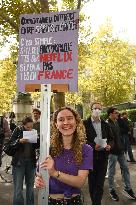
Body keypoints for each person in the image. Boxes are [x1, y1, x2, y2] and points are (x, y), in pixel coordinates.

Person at [35, 107, 93, 205]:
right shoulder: (47, 149)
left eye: (70, 118)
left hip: (74, 202)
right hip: (51, 201)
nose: (66, 122)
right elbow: (39, 174)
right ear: (56, 124)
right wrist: (37, 181)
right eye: (61, 120)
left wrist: (54, 173)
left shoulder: (86, 149)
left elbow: (80, 182)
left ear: (76, 122)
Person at [84, 102, 114, 205]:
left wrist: (110, 145)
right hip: (90, 158)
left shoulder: (105, 124)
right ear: (91, 109)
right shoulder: (85, 124)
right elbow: (81, 140)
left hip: (103, 157)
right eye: (95, 108)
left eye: (99, 109)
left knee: (100, 184)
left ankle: (97, 203)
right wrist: (93, 146)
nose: (97, 110)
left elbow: (111, 139)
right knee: (92, 183)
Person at [8, 116, 40, 205]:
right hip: (19, 163)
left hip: (31, 162)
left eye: (31, 127)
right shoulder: (17, 130)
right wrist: (19, 141)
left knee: (30, 188)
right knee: (18, 188)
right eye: (28, 127)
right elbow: (9, 145)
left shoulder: (33, 131)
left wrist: (37, 139)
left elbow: (37, 146)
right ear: (23, 125)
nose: (30, 129)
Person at [107, 107, 136, 201]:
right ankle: (112, 190)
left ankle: (128, 188)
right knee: (111, 172)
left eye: (118, 113)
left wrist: (122, 147)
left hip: (120, 151)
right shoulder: (107, 124)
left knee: (126, 169)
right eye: (116, 113)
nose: (118, 114)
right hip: (112, 152)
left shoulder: (117, 122)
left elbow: (122, 133)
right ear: (110, 114)